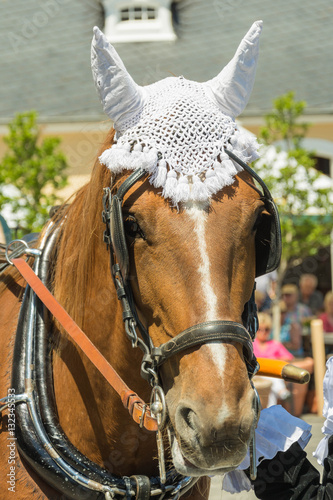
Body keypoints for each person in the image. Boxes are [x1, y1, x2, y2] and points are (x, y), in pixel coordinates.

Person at [253, 312, 293, 407]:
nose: (263, 332)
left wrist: (275, 359)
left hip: (270, 377)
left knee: (270, 388)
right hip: (255, 374)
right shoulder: (251, 344)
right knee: (271, 378)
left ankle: (269, 413)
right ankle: (282, 391)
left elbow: (289, 358)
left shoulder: (274, 344)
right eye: (260, 329)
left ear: (270, 330)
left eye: (266, 329)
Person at [280, 284, 312, 358]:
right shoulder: (277, 310)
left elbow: (310, 329)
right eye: (284, 295)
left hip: (297, 349)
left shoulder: (304, 310)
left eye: (289, 295)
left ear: (296, 296)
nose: (286, 297)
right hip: (280, 348)